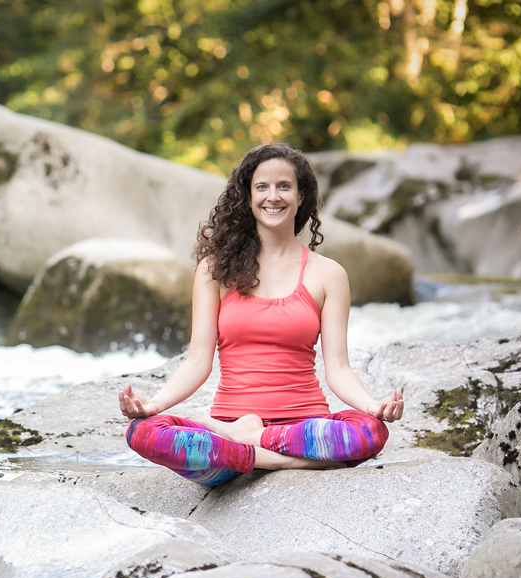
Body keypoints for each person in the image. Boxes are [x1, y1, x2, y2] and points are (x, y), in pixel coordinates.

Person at [118, 143, 404, 486]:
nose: (273, 196)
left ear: (302, 197)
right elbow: (197, 361)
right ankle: (291, 462)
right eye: (262, 187)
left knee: (370, 432)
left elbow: (338, 368)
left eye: (284, 186)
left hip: (301, 429)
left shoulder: (328, 274)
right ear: (247, 197)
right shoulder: (214, 270)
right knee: (142, 432)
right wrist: (154, 405)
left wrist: (373, 406)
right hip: (229, 424)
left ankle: (252, 447)